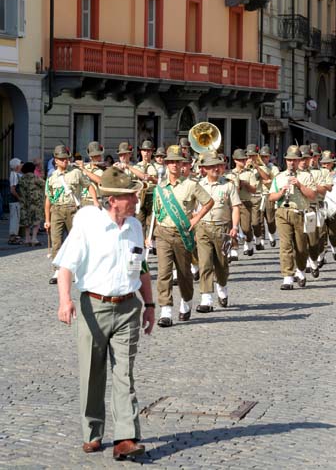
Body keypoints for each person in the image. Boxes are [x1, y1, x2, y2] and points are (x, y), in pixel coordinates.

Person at [54, 167, 155, 460]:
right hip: (94, 307)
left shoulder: (134, 226)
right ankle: (92, 433)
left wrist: (149, 305)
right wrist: (65, 300)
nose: (136, 200)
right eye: (130, 196)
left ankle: (126, 437)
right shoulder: (88, 226)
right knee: (91, 373)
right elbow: (66, 267)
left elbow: (141, 267)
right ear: (113, 200)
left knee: (124, 373)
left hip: (127, 308)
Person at [152, 146, 214, 327]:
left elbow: (209, 202)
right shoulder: (160, 187)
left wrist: (196, 218)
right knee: (164, 272)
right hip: (163, 233)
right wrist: (151, 235)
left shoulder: (191, 185)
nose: (174, 165)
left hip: (182, 234)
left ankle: (186, 301)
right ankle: (166, 311)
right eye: (171, 162)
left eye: (177, 162)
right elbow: (157, 212)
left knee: (184, 273)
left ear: (182, 164)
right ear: (166, 164)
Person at [195, 151, 241, 312]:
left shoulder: (228, 185)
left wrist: (235, 227)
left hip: (223, 229)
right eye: (211, 166)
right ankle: (206, 298)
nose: (215, 168)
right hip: (203, 227)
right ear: (205, 169)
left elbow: (236, 207)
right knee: (205, 263)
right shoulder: (198, 185)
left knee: (221, 265)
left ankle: (222, 286)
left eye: (217, 165)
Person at [45, 145, 96, 285]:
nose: (65, 161)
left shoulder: (76, 173)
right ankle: (57, 271)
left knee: (75, 241)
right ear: (56, 160)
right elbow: (48, 199)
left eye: (66, 158)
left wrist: (96, 202)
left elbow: (89, 186)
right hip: (56, 210)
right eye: (62, 159)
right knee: (56, 242)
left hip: (72, 209)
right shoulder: (52, 177)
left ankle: (79, 269)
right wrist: (47, 219)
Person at [269, 145, 318, 290]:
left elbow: (312, 195)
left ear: (299, 161)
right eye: (289, 160)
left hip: (300, 213)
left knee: (301, 248)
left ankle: (301, 270)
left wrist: (300, 185)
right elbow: (271, 197)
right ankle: (287, 277)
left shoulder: (306, 176)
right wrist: (281, 192)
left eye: (294, 160)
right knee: (285, 246)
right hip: (283, 212)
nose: (291, 163)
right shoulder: (279, 177)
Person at [19, 162, 45, 246]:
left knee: (26, 221)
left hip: (24, 202)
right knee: (36, 220)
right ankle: (34, 238)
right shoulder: (35, 177)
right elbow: (44, 184)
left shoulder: (21, 179)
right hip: (35, 202)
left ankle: (27, 239)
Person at [8, 157, 22, 245]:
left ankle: (14, 235)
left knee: (16, 218)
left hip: (15, 201)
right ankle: (13, 236)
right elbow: (12, 189)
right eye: (20, 164)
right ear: (17, 166)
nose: (21, 166)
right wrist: (19, 197)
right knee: (15, 219)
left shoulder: (16, 174)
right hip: (15, 201)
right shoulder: (13, 175)